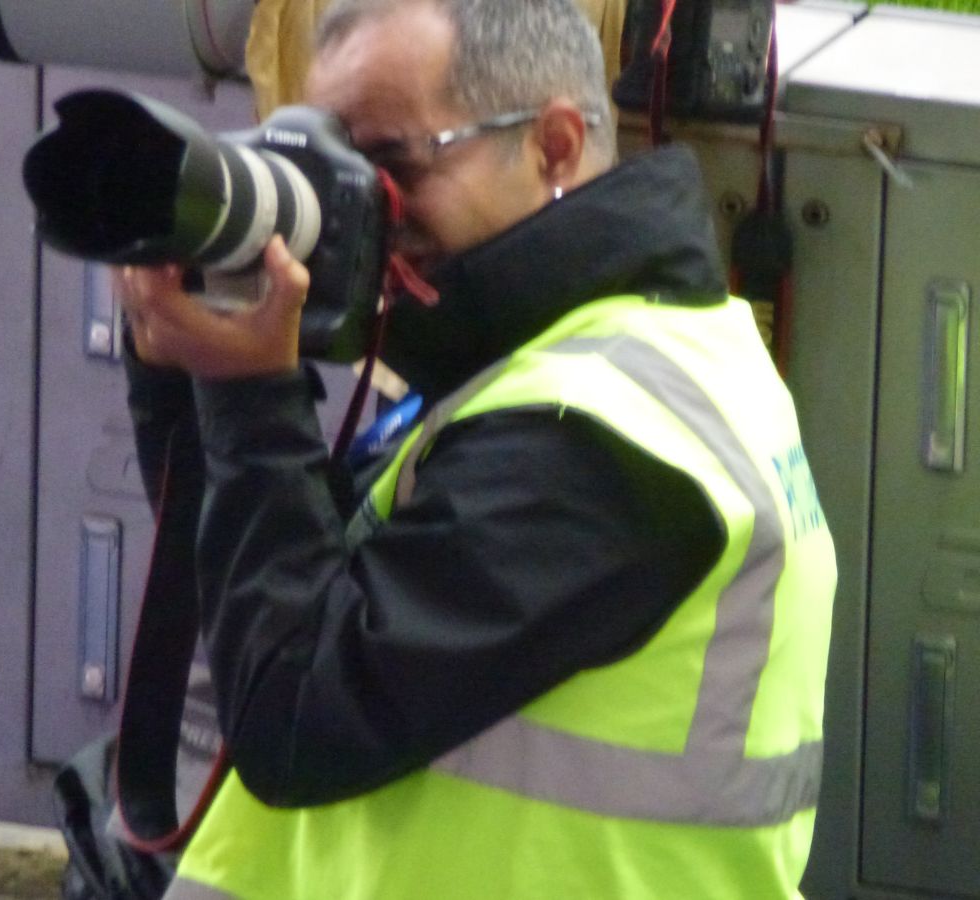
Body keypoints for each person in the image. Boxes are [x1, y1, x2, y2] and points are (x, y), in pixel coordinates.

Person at [116, 0, 838, 896]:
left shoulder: (598, 439)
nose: (356, 211)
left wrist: (251, 395)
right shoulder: (559, 359)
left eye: (386, 165)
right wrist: (186, 369)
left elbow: (297, 713)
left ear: (554, 146)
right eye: (322, 163)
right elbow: (266, 595)